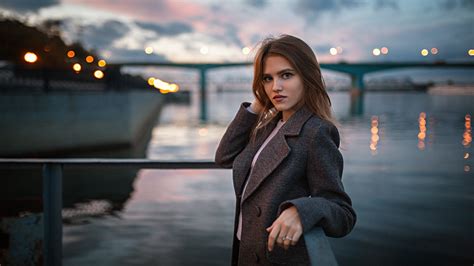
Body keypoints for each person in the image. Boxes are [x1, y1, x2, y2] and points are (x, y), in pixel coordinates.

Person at [215, 34, 356, 266]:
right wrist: (258, 105)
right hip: (245, 251)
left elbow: (343, 214)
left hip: (276, 258)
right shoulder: (268, 125)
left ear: (307, 77)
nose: (275, 87)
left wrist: (301, 210)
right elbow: (224, 157)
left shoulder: (316, 132)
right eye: (267, 79)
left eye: (286, 75)